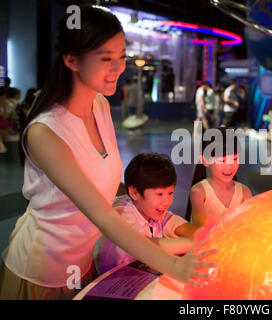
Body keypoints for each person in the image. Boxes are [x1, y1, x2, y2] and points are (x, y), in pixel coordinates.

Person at [0, 5, 215, 300]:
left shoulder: (100, 105)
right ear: (71, 60)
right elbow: (102, 215)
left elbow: (103, 183)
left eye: (121, 57)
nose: (118, 68)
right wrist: (174, 266)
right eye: (105, 59)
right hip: (40, 272)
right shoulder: (45, 132)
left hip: (82, 264)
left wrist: (151, 200)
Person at [96, 153, 202, 275]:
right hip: (111, 282)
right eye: (159, 194)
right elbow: (144, 245)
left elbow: (173, 222)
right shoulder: (123, 213)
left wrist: (207, 235)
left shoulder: (151, 210)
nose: (167, 201)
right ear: (135, 193)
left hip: (139, 275)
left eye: (170, 193)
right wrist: (191, 243)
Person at [186, 126, 253, 227]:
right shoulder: (199, 192)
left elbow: (249, 225)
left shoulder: (245, 193)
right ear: (205, 161)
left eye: (234, 159)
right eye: (222, 160)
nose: (229, 166)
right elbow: (200, 231)